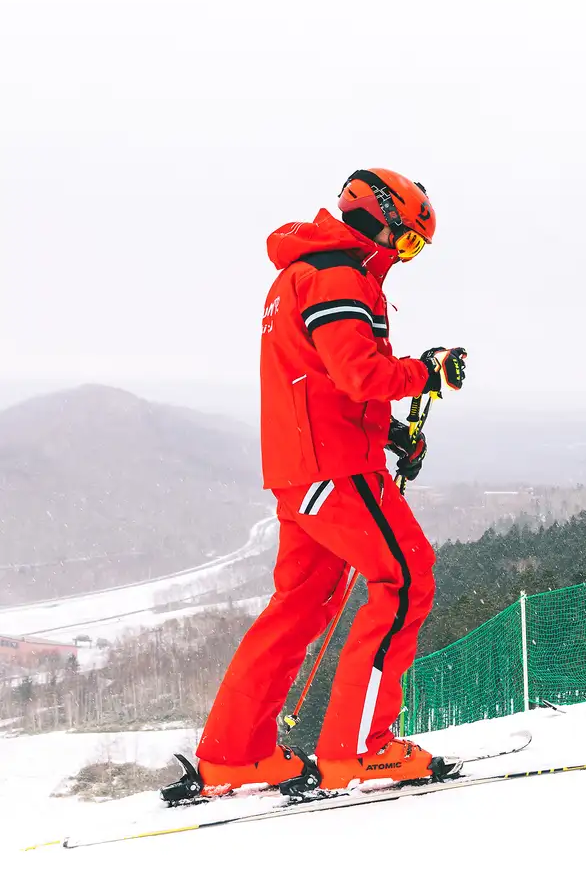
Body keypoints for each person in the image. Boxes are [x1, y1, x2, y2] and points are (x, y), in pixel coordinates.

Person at [194, 169, 469, 796]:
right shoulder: (341, 275)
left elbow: (318, 380)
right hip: (336, 469)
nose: (404, 259)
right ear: (380, 220)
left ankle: (235, 755)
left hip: (303, 470)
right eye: (407, 244)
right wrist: (426, 373)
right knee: (404, 577)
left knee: (300, 605)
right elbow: (358, 372)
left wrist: (393, 433)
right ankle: (359, 748)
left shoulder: (303, 272)